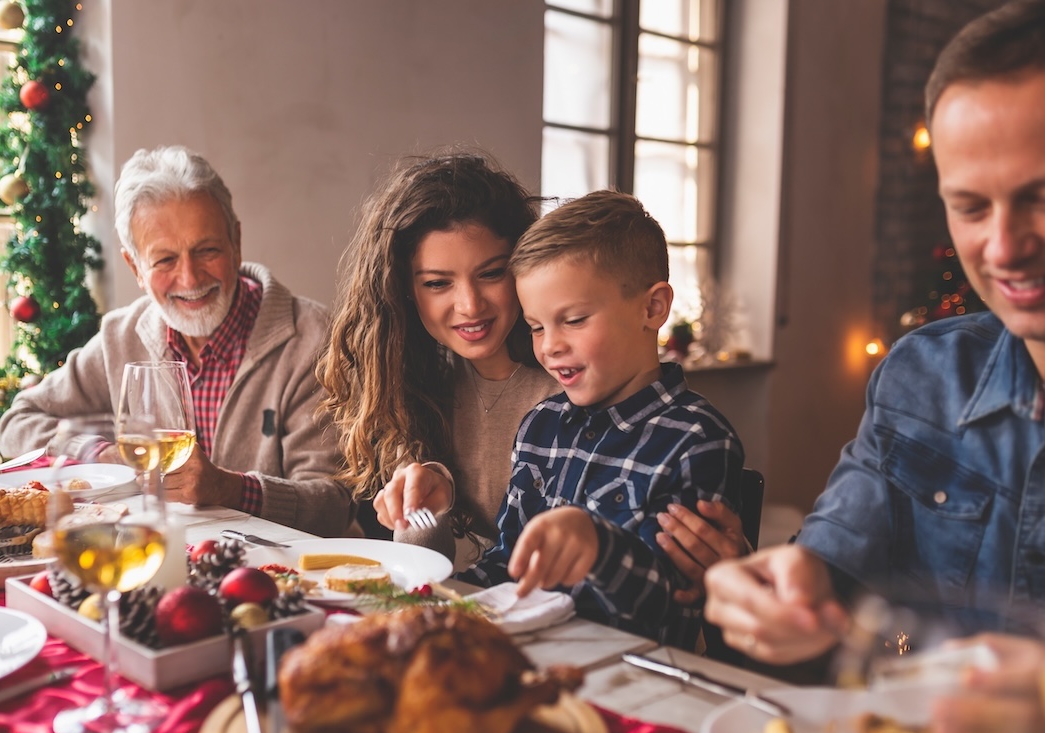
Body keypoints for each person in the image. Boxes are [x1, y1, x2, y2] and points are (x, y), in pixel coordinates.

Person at [700, 0, 1045, 665]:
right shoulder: (921, 376)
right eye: (971, 207)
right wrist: (788, 590)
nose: (1003, 247)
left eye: (1040, 197)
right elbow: (833, 562)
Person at [318, 152, 746, 583]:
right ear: (404, 292)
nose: (469, 305)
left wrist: (728, 568)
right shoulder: (440, 394)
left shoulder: (587, 386)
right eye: (436, 282)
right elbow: (504, 564)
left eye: (491, 273)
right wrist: (428, 516)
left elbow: (669, 587)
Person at [0, 145, 351, 538]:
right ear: (135, 266)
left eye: (208, 250)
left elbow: (334, 505)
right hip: (152, 557)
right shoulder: (121, 336)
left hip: (280, 573)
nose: (190, 278)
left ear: (236, 241)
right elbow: (17, 422)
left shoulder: (314, 338)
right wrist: (103, 455)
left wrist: (233, 489)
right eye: (165, 260)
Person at [462, 190, 744, 648]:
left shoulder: (697, 440)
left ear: (652, 308)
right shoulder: (539, 427)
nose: (549, 345)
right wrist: (438, 602)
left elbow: (670, 610)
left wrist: (598, 546)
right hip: (521, 657)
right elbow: (508, 562)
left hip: (627, 678)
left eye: (573, 320)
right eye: (536, 327)